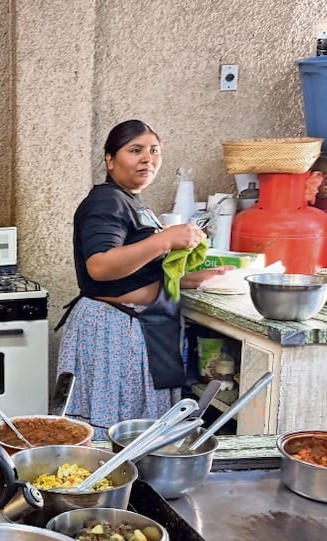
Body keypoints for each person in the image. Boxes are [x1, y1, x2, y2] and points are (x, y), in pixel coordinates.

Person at [56, 120, 231, 437]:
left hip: (140, 328)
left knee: (139, 435)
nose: (147, 159)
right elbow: (100, 265)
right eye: (135, 150)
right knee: (115, 436)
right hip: (112, 331)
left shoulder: (132, 202)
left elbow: (139, 270)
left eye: (154, 151)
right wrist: (166, 239)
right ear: (110, 160)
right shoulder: (107, 201)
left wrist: (195, 278)